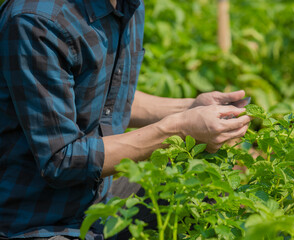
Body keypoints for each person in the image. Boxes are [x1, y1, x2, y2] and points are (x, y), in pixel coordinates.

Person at [0, 0, 251, 239]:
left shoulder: (126, 6)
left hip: (99, 197)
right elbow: (62, 160)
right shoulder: (36, 21)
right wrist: (179, 130)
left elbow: (105, 98)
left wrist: (189, 107)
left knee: (211, 188)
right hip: (35, 221)